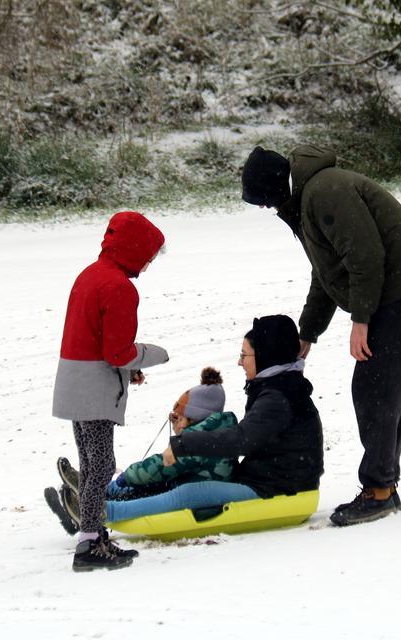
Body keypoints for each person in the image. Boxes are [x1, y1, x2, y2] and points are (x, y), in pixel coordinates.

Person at [240, 144, 401, 527]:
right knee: (384, 388)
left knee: (377, 389)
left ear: (274, 187)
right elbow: (327, 271)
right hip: (397, 288)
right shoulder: (307, 198)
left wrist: (361, 319)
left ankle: (379, 491)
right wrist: (309, 330)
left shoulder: (324, 191)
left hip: (400, 290)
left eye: (264, 201)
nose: (266, 209)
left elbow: (365, 257)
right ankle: (384, 484)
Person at [55, 315, 323, 528]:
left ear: (265, 356)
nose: (239, 362)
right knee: (179, 482)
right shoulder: (276, 386)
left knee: (190, 494)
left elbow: (242, 439)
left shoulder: (278, 395)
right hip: (264, 477)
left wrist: (184, 444)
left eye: (245, 355)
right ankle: (100, 496)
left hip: (280, 486)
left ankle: (102, 512)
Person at [49, 210, 170, 572]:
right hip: (94, 390)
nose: (147, 267)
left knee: (90, 463)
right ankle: (88, 544)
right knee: (102, 465)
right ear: (134, 250)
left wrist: (127, 367)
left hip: (73, 381)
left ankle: (94, 536)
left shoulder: (89, 275)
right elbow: (117, 351)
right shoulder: (119, 287)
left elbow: (95, 338)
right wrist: (151, 356)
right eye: (147, 258)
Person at [49, 368, 237, 529]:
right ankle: (94, 495)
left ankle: (95, 509)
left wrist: (129, 476)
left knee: (144, 489)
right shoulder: (210, 431)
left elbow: (160, 466)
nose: (173, 424)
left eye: (177, 418)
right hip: (181, 482)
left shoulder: (200, 439)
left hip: (192, 494)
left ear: (195, 418)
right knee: (145, 487)